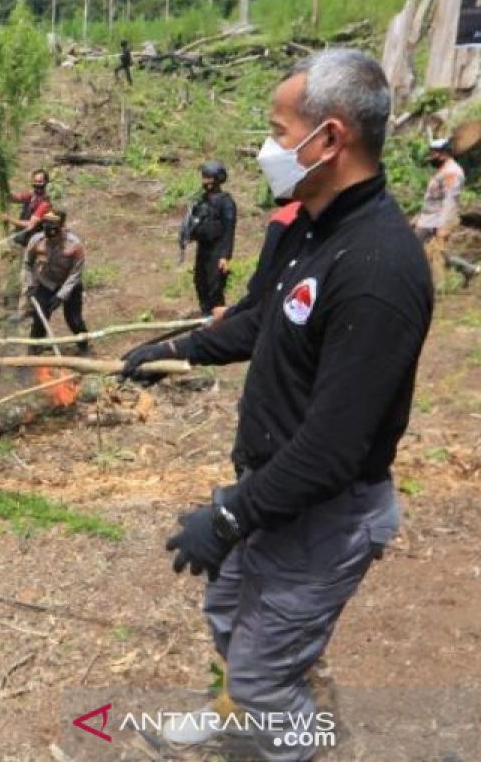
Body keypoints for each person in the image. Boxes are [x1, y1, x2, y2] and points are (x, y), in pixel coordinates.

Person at [123, 49, 433, 761]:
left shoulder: (379, 270)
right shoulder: (307, 225)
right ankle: (244, 715)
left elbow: (332, 450)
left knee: (268, 682)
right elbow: (260, 318)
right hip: (275, 489)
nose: (266, 147)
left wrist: (229, 514)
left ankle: (286, 738)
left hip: (325, 510)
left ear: (327, 139)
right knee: (228, 613)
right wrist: (175, 351)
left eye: (276, 129)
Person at [22, 210, 90, 356]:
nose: (50, 237)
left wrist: (61, 295)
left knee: (74, 320)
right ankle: (34, 348)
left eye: (53, 230)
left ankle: (84, 345)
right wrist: (31, 285)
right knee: (39, 318)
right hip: (45, 283)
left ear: (61, 227)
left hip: (69, 286)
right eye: (46, 227)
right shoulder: (36, 240)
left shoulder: (74, 245)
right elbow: (27, 264)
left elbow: (75, 274)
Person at [180, 161, 238, 316]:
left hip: (217, 251)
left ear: (217, 178)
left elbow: (229, 230)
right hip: (204, 249)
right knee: (200, 282)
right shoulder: (202, 199)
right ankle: (206, 316)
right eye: (203, 177)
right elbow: (195, 221)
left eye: (208, 177)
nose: (204, 181)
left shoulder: (226, 202)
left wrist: (225, 256)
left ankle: (218, 322)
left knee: (215, 287)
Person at [412, 138, 465, 291]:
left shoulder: (452, 172)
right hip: (428, 219)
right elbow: (433, 199)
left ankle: (435, 285)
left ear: (443, 154)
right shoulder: (443, 170)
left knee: (427, 252)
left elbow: (450, 201)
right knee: (435, 253)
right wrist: (418, 217)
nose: (431, 157)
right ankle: (466, 269)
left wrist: (444, 226)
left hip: (437, 221)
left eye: (434, 153)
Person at [1, 168, 53, 247]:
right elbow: (13, 198)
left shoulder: (45, 204)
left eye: (40, 182)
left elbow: (30, 225)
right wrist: (3, 186)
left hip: (33, 242)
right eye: (35, 181)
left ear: (46, 182)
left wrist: (9, 219)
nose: (37, 184)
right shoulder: (31, 196)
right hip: (22, 235)